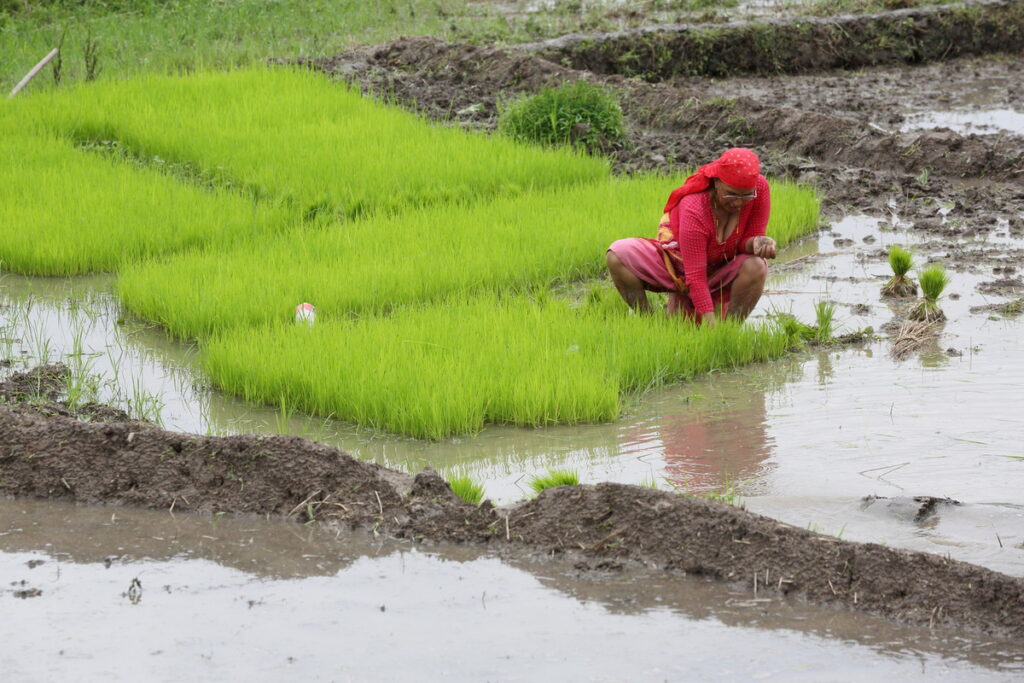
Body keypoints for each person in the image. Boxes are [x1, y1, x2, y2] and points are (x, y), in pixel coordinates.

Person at [606, 148, 776, 325]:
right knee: (617, 254)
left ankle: (730, 329)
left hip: (721, 266)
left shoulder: (760, 188)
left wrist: (757, 242)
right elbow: (695, 277)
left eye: (746, 195)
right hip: (678, 265)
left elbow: (744, 242)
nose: (739, 202)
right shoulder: (695, 208)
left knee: (756, 264)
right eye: (731, 194)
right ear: (717, 182)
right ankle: (650, 324)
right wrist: (711, 328)